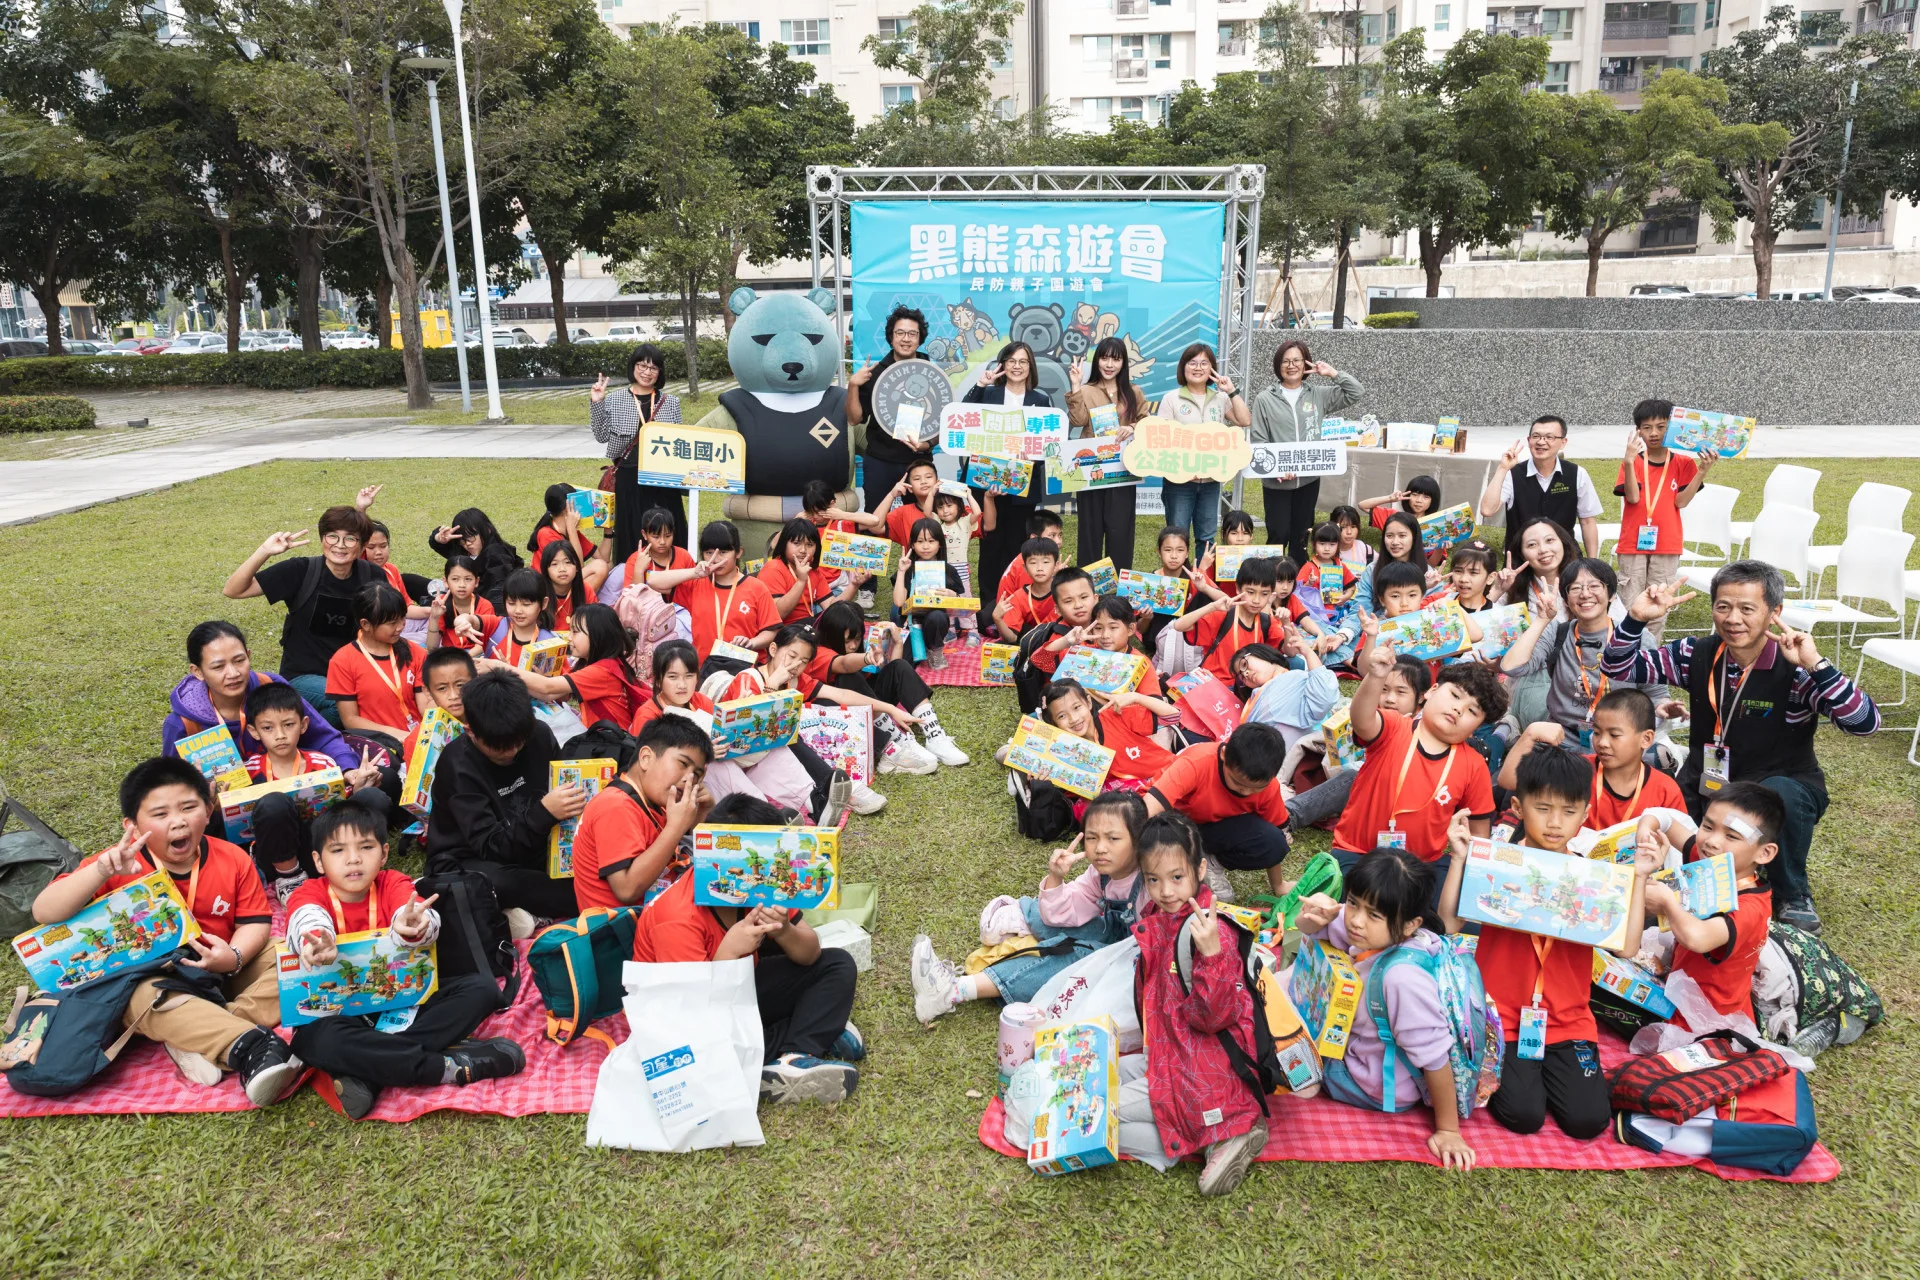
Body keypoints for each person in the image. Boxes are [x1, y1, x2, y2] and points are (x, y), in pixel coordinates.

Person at [1601, 561, 1881, 932]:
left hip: (1778, 780)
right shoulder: (1696, 653)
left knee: (1780, 794)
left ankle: (1791, 891)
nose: (1733, 619)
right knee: (1670, 815)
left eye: (1747, 609)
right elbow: (1618, 667)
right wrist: (1635, 619)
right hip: (1709, 777)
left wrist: (1817, 665)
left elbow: (1864, 724)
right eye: (1723, 606)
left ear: (1774, 612)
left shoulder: (1797, 667)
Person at [32, 758, 298, 1105]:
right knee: (141, 996)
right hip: (153, 981)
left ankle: (198, 1034)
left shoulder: (233, 858)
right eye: (159, 814)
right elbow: (44, 912)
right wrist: (97, 873)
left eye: (189, 807)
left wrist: (232, 957)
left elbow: (255, 922)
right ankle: (244, 1043)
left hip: (214, 969)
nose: (178, 821)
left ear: (209, 808)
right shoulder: (116, 863)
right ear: (132, 824)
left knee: (292, 954)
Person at [1439, 747, 1643, 1140]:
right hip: (1505, 1020)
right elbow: (1448, 922)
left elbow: (1627, 949)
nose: (1555, 823)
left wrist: (1642, 878)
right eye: (1543, 808)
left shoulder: (1595, 878)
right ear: (1517, 806)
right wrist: (1459, 860)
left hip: (1570, 1021)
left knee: (1587, 1121)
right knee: (1523, 1115)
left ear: (1585, 815)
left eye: (1569, 812)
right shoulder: (1499, 864)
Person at [286, 800, 526, 1120]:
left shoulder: (392, 882)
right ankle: (438, 1067)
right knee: (312, 1039)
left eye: (366, 847)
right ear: (318, 861)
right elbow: (306, 920)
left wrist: (412, 927)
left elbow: (414, 912)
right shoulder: (309, 893)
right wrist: (316, 942)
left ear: (384, 853)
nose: (354, 858)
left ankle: (370, 1073)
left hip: (407, 1002)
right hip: (343, 1015)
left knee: (482, 988)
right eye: (338, 850)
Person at [631, 792, 863, 1104]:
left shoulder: (762, 881)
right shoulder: (677, 916)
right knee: (718, 1051)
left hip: (735, 992)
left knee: (837, 964)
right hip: (687, 1017)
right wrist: (728, 952)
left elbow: (810, 955)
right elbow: (691, 1013)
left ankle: (794, 1058)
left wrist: (783, 930)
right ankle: (812, 1036)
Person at [1293, 848, 1479, 1170]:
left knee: (1278, 1013)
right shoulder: (1374, 933)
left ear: (1410, 925)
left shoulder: (1402, 979)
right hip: (1365, 1051)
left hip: (1370, 1081)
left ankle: (1307, 1079)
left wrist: (1448, 1130)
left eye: (1373, 914)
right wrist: (1312, 915)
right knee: (1284, 984)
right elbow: (1311, 929)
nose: (1356, 921)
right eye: (1353, 903)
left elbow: (1435, 1057)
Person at [909, 791, 1148, 1022]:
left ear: (1139, 841)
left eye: (1113, 838)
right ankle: (1018, 915)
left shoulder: (1152, 880)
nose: (1100, 848)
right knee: (1061, 924)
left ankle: (951, 991)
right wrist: (1055, 878)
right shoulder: (1100, 873)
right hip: (1115, 936)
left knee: (1077, 955)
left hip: (1136, 963)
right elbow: (1063, 913)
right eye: (1092, 837)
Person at [1130, 812, 1269, 1196]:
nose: (1166, 891)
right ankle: (1220, 1133)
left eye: (1177, 877)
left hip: (1205, 1071)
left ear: (1200, 868)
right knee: (1103, 1077)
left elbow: (1213, 1018)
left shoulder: (1210, 931)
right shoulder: (1160, 917)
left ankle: (1226, 1134)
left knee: (1104, 1113)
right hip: (1172, 1048)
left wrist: (1211, 955)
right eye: (1153, 880)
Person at [1329, 631, 1504, 887]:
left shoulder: (1473, 765)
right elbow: (1362, 720)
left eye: (1472, 711)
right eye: (1455, 696)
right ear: (1431, 691)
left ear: (1478, 726)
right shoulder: (1394, 726)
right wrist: (1376, 676)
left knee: (1443, 905)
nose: (1458, 709)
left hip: (1419, 868)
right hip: (1357, 853)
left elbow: (1479, 832)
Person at [423, 668, 584, 922]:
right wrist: (544, 813)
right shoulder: (457, 766)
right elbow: (490, 847)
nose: (511, 752)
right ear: (470, 731)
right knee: (501, 881)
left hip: (536, 843)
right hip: (475, 858)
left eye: (519, 743)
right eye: (498, 748)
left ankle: (523, 912)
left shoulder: (538, 735)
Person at [1631, 781, 1784, 1026]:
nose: (1711, 841)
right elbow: (1668, 824)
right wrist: (1647, 827)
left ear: (1764, 853)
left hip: (1708, 1019)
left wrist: (1668, 903)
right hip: (1679, 995)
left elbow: (1697, 938)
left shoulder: (1750, 907)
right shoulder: (1714, 864)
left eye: (1731, 836)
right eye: (1707, 826)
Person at [222, 506, 385, 724]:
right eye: (332, 536)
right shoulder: (300, 571)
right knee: (343, 703)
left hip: (353, 674)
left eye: (350, 539)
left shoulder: (372, 576)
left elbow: (385, 626)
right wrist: (264, 550)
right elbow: (233, 590)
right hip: (303, 676)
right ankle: (302, 733)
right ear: (322, 539)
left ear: (362, 545)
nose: (339, 545)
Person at [242, 680, 393, 903]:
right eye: (268, 728)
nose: (280, 735)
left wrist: (357, 789)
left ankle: (349, 869)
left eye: (288, 725)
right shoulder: (248, 772)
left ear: (303, 725)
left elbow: (341, 809)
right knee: (274, 804)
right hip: (276, 856)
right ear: (254, 731)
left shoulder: (324, 764)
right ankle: (289, 878)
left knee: (371, 797)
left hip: (322, 845)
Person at [162, 620, 363, 779]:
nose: (233, 673)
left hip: (291, 787)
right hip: (225, 815)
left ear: (249, 656)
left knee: (382, 784)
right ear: (197, 671)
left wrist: (348, 769)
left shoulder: (270, 685)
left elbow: (322, 736)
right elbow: (171, 783)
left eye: (239, 660)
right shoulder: (184, 724)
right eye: (218, 667)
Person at [1498, 558, 1658, 743]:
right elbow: (1511, 667)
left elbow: (1656, 694)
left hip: (1620, 741)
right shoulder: (1559, 632)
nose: (1585, 594)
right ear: (1565, 600)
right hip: (1561, 739)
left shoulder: (1638, 637)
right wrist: (1542, 619)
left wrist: (1662, 710)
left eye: (1594, 586)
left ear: (1612, 594)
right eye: (1575, 588)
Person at [568, 714, 715, 914]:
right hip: (621, 935)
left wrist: (703, 811)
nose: (688, 779)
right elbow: (627, 889)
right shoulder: (615, 805)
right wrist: (675, 828)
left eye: (696, 775)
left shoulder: (653, 802)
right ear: (646, 758)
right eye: (682, 764)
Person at [1500, 688, 1685, 829]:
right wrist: (1529, 735)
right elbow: (1508, 780)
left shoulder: (1666, 791)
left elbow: (1679, 847)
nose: (1602, 742)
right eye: (1597, 733)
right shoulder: (1576, 769)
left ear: (1646, 739)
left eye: (1614, 735)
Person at [1144, 723, 1292, 898]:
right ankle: (1186, 860)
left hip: (1214, 829)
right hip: (1174, 824)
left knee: (1276, 843)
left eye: (1255, 788)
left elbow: (1274, 834)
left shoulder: (1269, 787)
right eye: (1237, 782)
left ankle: (1211, 862)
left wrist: (1279, 885)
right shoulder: (1197, 763)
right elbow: (1149, 808)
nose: (1245, 792)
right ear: (1223, 755)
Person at [1249, 339, 1364, 563]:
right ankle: (1273, 580)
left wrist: (1332, 373)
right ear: (1277, 365)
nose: (1291, 366)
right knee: (1278, 534)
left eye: (1297, 360)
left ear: (1305, 364)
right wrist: (1276, 469)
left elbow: (1355, 393)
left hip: (1308, 479)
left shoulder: (1318, 394)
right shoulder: (1265, 398)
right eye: (1285, 361)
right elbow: (1259, 440)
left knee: (1302, 535)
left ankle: (1299, 583)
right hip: (1277, 482)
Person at [809, 600, 955, 774]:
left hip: (873, 708)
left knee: (899, 666)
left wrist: (898, 643)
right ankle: (896, 743)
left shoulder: (857, 651)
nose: (853, 645)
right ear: (832, 635)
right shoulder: (818, 653)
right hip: (843, 715)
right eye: (848, 641)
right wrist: (866, 658)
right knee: (850, 676)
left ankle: (934, 734)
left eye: (856, 639)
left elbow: (891, 675)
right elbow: (844, 665)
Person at [1615, 398, 1716, 645]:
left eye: (1661, 426)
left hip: (1667, 544)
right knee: (1629, 602)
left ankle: (1651, 655)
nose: (1654, 433)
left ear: (1672, 427)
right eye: (1647, 427)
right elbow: (1633, 496)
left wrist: (1702, 470)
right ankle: (1623, 654)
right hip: (1632, 544)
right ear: (1637, 430)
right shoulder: (1633, 461)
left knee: (1659, 604)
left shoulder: (1682, 462)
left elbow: (1681, 502)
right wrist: (1629, 462)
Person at [963, 340, 1051, 597]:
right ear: (1003, 364)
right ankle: (989, 606)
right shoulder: (989, 393)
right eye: (1012, 361)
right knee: (990, 546)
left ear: (1030, 366)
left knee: (1017, 547)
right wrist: (981, 384)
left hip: (1022, 487)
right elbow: (964, 419)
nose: (1017, 366)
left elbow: (1048, 445)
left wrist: (1033, 456)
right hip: (988, 484)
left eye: (1023, 361)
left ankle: (1015, 602)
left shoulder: (1041, 400)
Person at [644, 521, 784, 673]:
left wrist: (751, 642)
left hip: (745, 670)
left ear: (738, 552)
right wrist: (694, 573)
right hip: (705, 670)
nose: (716, 559)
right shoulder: (696, 585)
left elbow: (772, 631)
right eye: (709, 553)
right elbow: (653, 581)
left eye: (723, 552)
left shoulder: (756, 588)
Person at [590, 343, 687, 559]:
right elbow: (601, 436)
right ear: (633, 367)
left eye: (653, 368)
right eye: (642, 365)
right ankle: (631, 576)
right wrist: (597, 402)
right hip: (629, 477)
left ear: (659, 372)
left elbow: (679, 442)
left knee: (666, 529)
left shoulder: (670, 402)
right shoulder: (615, 399)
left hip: (662, 480)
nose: (647, 372)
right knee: (632, 533)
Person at [1155, 342, 1250, 551]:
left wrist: (1232, 391)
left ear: (1212, 369)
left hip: (1210, 480)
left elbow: (1244, 420)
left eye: (1204, 363)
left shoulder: (1220, 398)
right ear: (1183, 367)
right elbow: (1161, 441)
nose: (1198, 368)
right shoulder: (1171, 399)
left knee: (1206, 535)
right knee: (1177, 536)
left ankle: (1201, 581)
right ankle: (1179, 582)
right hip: (1179, 481)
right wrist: (1182, 470)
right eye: (1192, 362)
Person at [847, 305, 935, 516]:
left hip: (919, 462)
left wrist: (927, 444)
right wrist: (853, 385)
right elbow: (854, 419)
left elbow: (941, 421)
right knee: (874, 522)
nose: (906, 339)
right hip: (880, 461)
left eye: (912, 334)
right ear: (891, 337)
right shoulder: (876, 373)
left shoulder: (931, 371)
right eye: (900, 333)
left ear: (920, 338)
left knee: (923, 524)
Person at [1065, 336, 1143, 569]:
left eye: (1116, 359)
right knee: (1090, 532)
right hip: (1091, 472)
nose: (1109, 364)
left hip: (1123, 471)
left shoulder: (1133, 392)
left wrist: (1131, 427)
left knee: (1121, 534)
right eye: (1104, 358)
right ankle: (1086, 590)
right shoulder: (1087, 391)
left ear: (1123, 363)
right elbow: (1078, 421)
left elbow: (1147, 423)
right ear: (1097, 360)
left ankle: (1116, 596)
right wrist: (1076, 386)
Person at [1478, 415, 1603, 559]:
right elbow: (1487, 510)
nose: (1541, 442)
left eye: (1549, 437)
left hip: (1565, 557)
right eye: (1536, 436)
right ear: (1529, 440)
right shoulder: (1512, 474)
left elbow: (1587, 521)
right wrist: (1502, 468)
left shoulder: (1577, 474)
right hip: (1523, 558)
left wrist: (1593, 563)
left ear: (1563, 442)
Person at [503, 602, 643, 729]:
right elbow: (556, 695)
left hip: (611, 746)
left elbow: (546, 688)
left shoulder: (602, 671)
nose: (569, 637)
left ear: (597, 636)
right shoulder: (602, 665)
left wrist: (501, 668)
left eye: (575, 632)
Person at [327, 583, 427, 746]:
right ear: (365, 624)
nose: (401, 627)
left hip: (419, 740)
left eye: (403, 618)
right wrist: (398, 735)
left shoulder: (416, 652)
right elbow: (350, 720)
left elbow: (425, 706)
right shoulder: (343, 661)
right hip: (379, 745)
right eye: (392, 622)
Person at [1171, 555, 1289, 685]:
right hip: (1215, 685)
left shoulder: (1267, 623)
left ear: (1271, 595)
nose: (1256, 600)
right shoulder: (1223, 616)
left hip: (1247, 688)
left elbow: (1290, 652)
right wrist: (1212, 606)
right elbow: (1179, 625)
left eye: (1264, 594)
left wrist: (1287, 624)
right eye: (1250, 592)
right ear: (1238, 588)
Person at [1008, 566, 1099, 715]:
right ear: (1057, 609)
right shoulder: (1059, 638)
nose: (1078, 605)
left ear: (1095, 599)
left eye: (1084, 597)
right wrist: (1066, 642)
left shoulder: (1104, 625)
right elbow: (1038, 660)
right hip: (1066, 705)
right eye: (1068, 601)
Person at [1230, 640, 1342, 748]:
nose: (1246, 673)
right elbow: (1325, 696)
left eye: (1244, 664)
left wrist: (1308, 653)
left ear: (1261, 653)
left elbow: (1324, 697)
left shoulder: (1295, 679)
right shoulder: (1258, 699)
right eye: (1241, 677)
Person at [895, 517, 968, 670]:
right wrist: (901, 571)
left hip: (935, 622)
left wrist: (952, 595)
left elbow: (963, 603)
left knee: (937, 616)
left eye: (931, 541)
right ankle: (914, 645)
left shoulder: (948, 570)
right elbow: (898, 602)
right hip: (911, 623)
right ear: (913, 545)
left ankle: (935, 650)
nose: (925, 546)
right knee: (905, 663)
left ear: (940, 543)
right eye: (920, 541)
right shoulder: (909, 568)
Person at [425, 509, 522, 610]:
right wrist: (438, 538)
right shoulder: (464, 549)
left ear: (487, 530)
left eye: (471, 537)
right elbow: (439, 545)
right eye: (462, 539)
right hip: (458, 594)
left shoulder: (496, 555)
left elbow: (497, 594)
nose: (467, 543)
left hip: (473, 607)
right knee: (409, 581)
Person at [760, 518, 851, 625]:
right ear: (784, 544)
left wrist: (854, 585)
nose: (803, 550)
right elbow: (778, 614)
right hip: (781, 630)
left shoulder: (813, 570)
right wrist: (801, 581)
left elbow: (831, 607)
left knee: (849, 616)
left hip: (806, 627)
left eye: (809, 545)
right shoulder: (773, 568)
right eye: (796, 543)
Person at [931, 487, 987, 643]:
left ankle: (972, 631)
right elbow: (927, 513)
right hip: (942, 570)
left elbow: (977, 513)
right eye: (940, 507)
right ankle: (949, 631)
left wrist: (968, 495)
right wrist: (931, 494)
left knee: (964, 600)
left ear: (958, 506)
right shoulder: (937, 524)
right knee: (946, 601)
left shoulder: (964, 523)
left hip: (961, 570)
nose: (945, 511)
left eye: (949, 506)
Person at [993, 536, 1062, 645]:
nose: (1039, 568)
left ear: (1056, 565)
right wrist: (998, 619)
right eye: (1033, 563)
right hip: (1030, 645)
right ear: (1025, 568)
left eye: (1045, 562)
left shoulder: (1064, 593)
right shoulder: (1018, 597)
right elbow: (1011, 638)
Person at [482, 570, 556, 667]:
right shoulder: (496, 626)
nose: (518, 610)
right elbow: (474, 621)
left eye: (526, 604)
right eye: (511, 603)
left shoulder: (550, 644)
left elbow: (559, 681)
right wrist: (464, 620)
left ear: (544, 603)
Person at [621, 506, 697, 601]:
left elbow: (695, 590)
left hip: (681, 611)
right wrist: (638, 571)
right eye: (656, 537)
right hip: (646, 612)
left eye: (668, 536)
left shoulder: (683, 556)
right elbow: (631, 601)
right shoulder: (635, 559)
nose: (662, 542)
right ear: (644, 534)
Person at [994, 509, 1067, 606]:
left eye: (1059, 535)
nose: (1058, 541)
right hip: (1015, 615)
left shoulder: (1032, 557)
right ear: (1034, 537)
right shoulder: (1029, 564)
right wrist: (1054, 577)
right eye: (1052, 535)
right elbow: (1032, 601)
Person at [426, 556, 496, 653]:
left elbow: (485, 643)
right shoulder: (441, 604)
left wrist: (463, 660)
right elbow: (432, 648)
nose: (462, 585)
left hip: (476, 655)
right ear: (445, 582)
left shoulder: (485, 606)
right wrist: (434, 617)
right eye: (455, 579)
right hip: (449, 655)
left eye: (468, 579)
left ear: (476, 582)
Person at [537, 539, 598, 633]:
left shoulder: (586, 590)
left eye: (568, 562)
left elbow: (595, 623)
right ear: (546, 570)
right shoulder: (538, 593)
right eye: (554, 564)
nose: (562, 569)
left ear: (577, 567)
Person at [1359, 475, 1441, 529]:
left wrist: (1440, 550)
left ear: (1433, 501)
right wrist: (1390, 498)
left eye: (1426, 497)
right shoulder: (1393, 517)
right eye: (1415, 494)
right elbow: (1362, 505)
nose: (1419, 500)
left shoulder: (1436, 525)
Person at [1330, 504, 1376, 571]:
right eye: (1343, 527)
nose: (1349, 532)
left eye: (1353, 527)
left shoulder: (1366, 550)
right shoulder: (1325, 550)